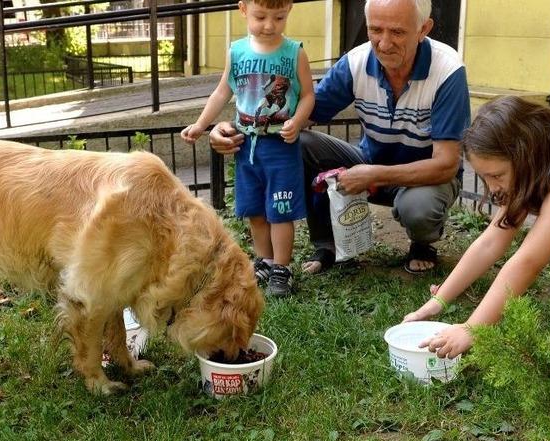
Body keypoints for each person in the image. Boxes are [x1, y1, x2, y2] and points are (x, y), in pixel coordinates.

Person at [210, 0, 471, 275]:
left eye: (397, 32)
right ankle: (326, 245)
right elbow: (295, 115)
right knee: (301, 143)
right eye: (375, 30)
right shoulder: (357, 61)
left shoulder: (447, 70)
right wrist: (233, 128)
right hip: (368, 162)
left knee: (417, 207)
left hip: (426, 179)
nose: (383, 43)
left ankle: (422, 243)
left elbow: (446, 164)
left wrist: (373, 175)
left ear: (423, 29)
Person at [403, 95, 550, 389]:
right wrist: (436, 303)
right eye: (484, 177)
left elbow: (529, 260)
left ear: (524, 155)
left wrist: (473, 328)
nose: (493, 187)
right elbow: (491, 241)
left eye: (496, 175)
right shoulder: (537, 163)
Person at [181, 0, 314, 297]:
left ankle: (282, 267)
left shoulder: (295, 53)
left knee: (280, 209)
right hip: (247, 147)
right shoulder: (236, 51)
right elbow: (222, 91)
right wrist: (201, 124)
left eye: (278, 17)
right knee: (255, 210)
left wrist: (298, 119)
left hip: (280, 146)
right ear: (243, 9)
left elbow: (307, 95)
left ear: (289, 9)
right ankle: (264, 260)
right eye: (261, 16)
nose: (269, 25)